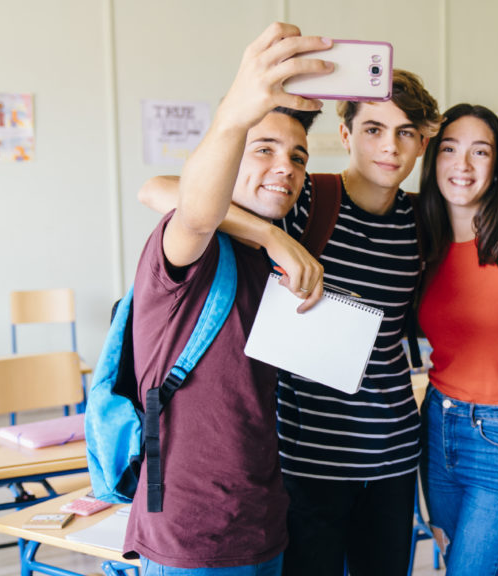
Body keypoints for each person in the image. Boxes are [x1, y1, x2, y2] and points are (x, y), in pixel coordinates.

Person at [139, 70, 442, 576]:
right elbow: (163, 190)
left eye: (406, 132)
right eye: (373, 129)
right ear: (346, 136)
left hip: (390, 455)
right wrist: (273, 236)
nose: (389, 146)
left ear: (422, 142)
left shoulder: (421, 222)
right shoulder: (303, 199)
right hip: (304, 460)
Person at [125, 22, 330, 576]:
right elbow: (193, 205)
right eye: (262, 149)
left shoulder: (274, 259)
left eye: (298, 156)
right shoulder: (191, 247)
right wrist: (236, 113)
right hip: (192, 534)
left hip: (262, 521)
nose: (284, 167)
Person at [415, 103, 498, 575]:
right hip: (439, 422)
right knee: (454, 562)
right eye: (449, 149)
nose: (462, 165)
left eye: (480, 151)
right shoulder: (419, 238)